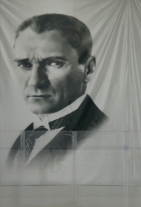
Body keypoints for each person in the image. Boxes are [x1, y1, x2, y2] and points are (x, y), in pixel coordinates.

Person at [6, 13, 108, 168]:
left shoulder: (101, 135)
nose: (35, 82)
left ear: (88, 69)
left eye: (54, 63)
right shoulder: (25, 137)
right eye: (25, 65)